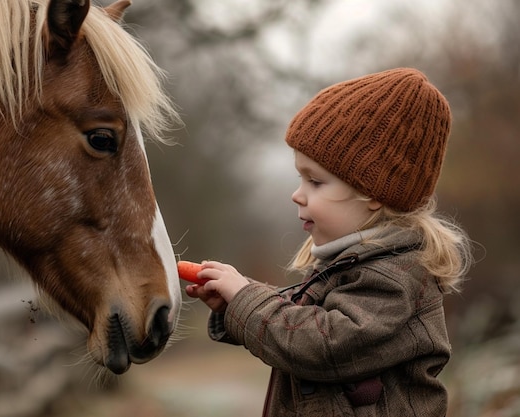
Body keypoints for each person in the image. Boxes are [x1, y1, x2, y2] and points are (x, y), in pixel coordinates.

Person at [185, 68, 473, 417]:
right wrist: (234, 301)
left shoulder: (395, 277)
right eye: (299, 177)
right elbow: (304, 318)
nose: (297, 194)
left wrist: (248, 300)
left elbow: (323, 345)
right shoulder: (353, 265)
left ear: (373, 194)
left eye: (315, 182)